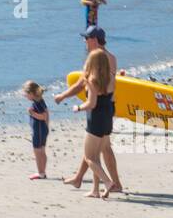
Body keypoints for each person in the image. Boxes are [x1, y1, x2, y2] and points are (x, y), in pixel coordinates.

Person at [54, 26, 122, 194]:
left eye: (86, 38)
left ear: (94, 40)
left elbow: (81, 86)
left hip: (97, 111)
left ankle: (111, 183)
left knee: (93, 152)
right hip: (108, 108)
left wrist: (65, 98)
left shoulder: (95, 62)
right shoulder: (110, 59)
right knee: (98, 149)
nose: (84, 41)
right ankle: (92, 187)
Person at [65, 49, 116, 198]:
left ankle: (107, 182)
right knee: (97, 155)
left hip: (95, 120)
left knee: (89, 157)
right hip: (107, 118)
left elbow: (91, 103)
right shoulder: (112, 78)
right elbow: (111, 99)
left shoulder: (92, 80)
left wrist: (78, 107)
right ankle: (95, 190)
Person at [23, 81, 50, 180]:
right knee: (42, 151)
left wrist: (32, 113)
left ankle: (40, 173)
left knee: (37, 151)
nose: (25, 96)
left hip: (39, 130)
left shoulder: (37, 103)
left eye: (26, 94)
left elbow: (44, 116)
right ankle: (42, 171)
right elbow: (47, 114)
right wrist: (47, 126)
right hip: (43, 129)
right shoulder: (40, 101)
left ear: (31, 94)